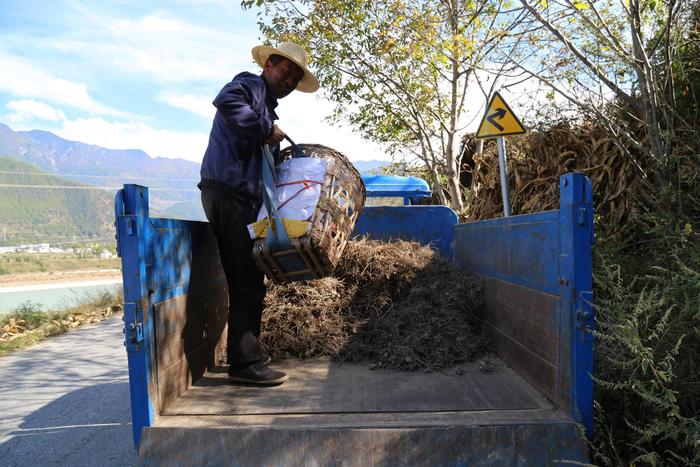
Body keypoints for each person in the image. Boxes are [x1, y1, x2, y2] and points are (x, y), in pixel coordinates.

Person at [198, 42, 320, 385]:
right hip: (229, 192)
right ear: (268, 64)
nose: (290, 79)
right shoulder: (249, 85)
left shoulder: (266, 105)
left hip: (237, 195)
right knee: (248, 282)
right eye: (286, 71)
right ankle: (245, 365)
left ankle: (246, 356)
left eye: (296, 77)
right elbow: (227, 101)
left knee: (248, 279)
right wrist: (266, 131)